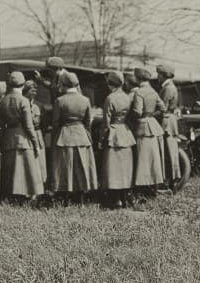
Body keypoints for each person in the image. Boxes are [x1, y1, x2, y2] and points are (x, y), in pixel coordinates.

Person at [49, 71, 98, 200]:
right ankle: (81, 195)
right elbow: (88, 122)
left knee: (65, 166)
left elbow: (55, 122)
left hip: (64, 135)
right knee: (81, 165)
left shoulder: (59, 100)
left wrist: (55, 136)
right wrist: (88, 136)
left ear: (64, 85)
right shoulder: (85, 100)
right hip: (81, 135)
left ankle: (65, 195)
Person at [0, 71, 43, 201]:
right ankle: (27, 195)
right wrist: (36, 144)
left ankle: (12, 195)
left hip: (8, 137)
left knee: (11, 169)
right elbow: (29, 126)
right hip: (23, 137)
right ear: (23, 85)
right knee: (26, 168)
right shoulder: (23, 101)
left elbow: (1, 124)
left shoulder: (3, 101)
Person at [97, 70, 136, 207]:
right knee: (125, 167)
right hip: (125, 132)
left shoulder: (110, 98)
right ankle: (125, 198)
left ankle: (115, 199)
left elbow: (106, 122)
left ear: (110, 83)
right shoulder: (127, 97)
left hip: (113, 133)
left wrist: (101, 140)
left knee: (112, 168)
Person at [130, 66, 166, 190]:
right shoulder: (153, 91)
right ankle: (153, 184)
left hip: (142, 127)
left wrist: (132, 115)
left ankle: (142, 186)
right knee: (153, 158)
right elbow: (163, 108)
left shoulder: (139, 92)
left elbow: (138, 112)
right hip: (153, 126)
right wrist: (151, 115)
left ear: (138, 78)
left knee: (142, 159)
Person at [156, 64, 182, 186]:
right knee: (170, 150)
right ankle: (172, 179)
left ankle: (170, 180)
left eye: (159, 74)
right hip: (170, 120)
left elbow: (163, 108)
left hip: (166, 121)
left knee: (168, 151)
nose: (157, 77)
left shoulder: (167, 88)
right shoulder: (170, 86)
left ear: (164, 75)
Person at [22, 80, 49, 192]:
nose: (34, 93)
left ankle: (41, 185)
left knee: (40, 161)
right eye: (32, 90)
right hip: (25, 135)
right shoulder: (22, 102)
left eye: (35, 91)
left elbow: (45, 123)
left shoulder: (39, 105)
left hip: (37, 135)